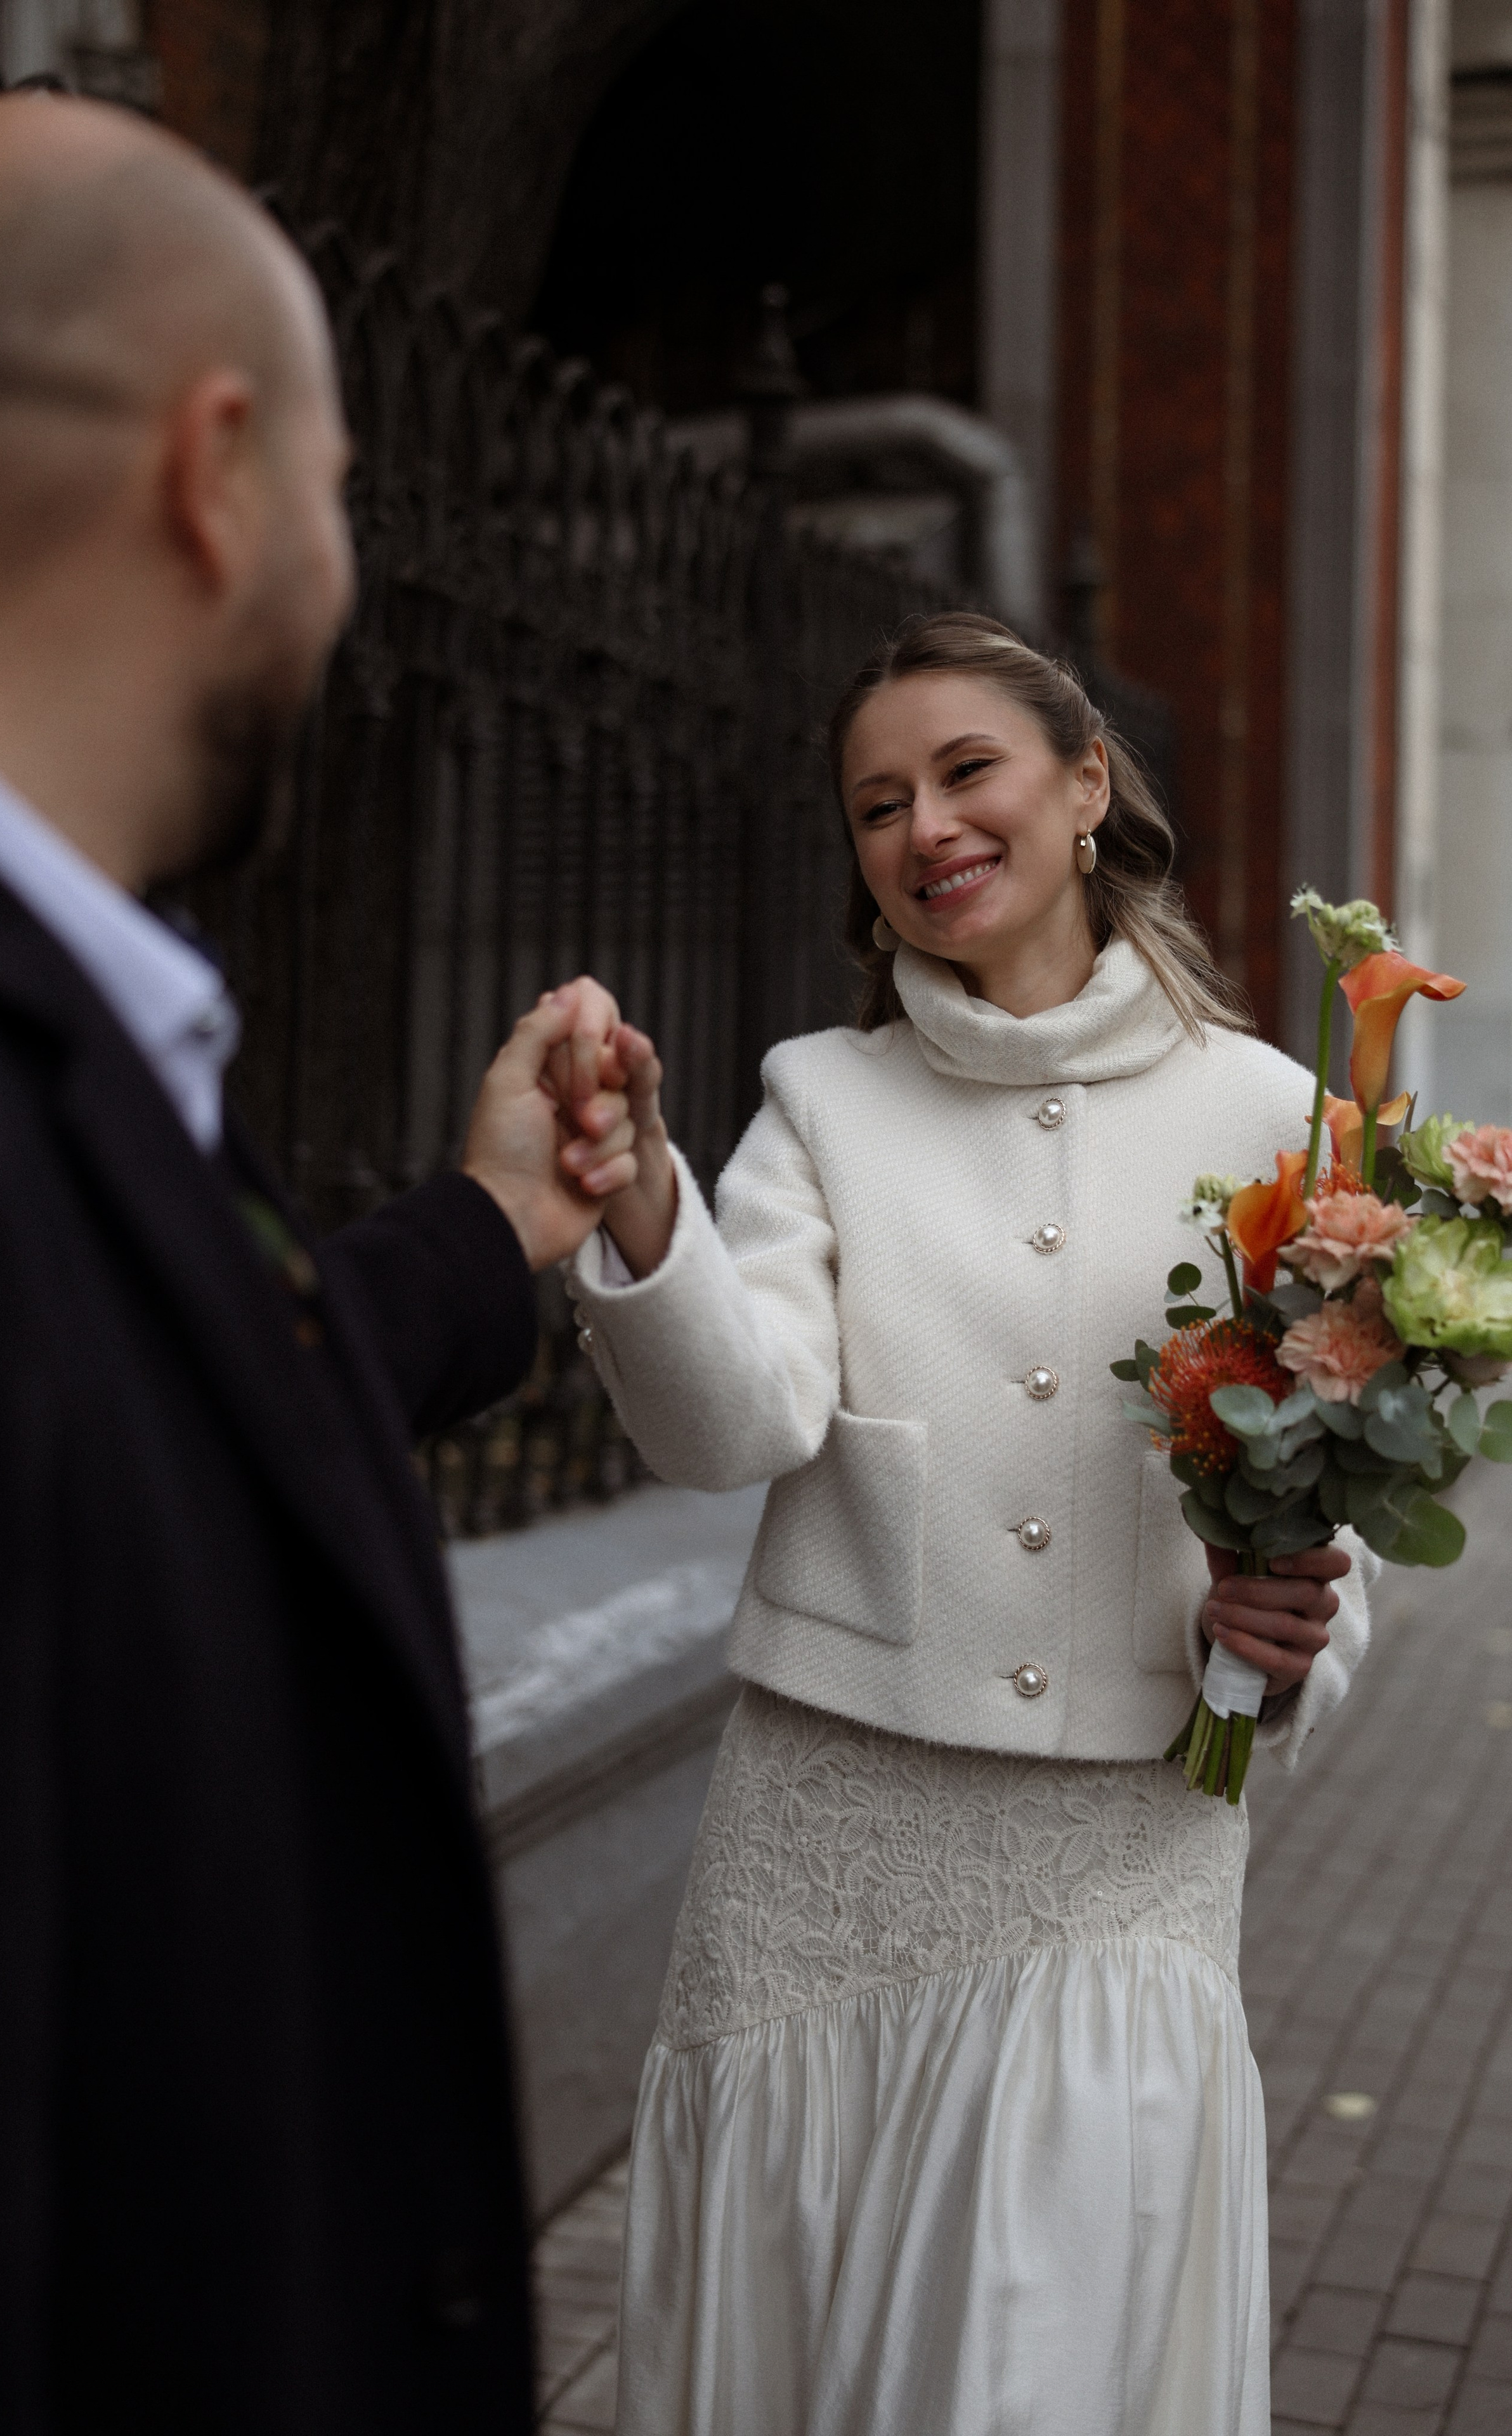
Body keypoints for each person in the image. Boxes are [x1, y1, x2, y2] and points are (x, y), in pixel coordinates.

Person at [0, 94, 636, 2432]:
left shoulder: (19, 1007)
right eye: (337, 493)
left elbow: (141, 1395)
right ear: (216, 474)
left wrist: (490, 1230)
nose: (340, 579)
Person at [568, 613, 1377, 2436]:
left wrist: (1290, 1639)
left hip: (1126, 1848)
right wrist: (644, 1218)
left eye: (963, 772)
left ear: (1086, 787)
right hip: (824, 1842)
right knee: (809, 2337)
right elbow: (733, 1424)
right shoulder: (819, 1099)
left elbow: (1339, 1493)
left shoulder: (1277, 1112)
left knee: (1048, 2352)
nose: (922, 826)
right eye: (877, 805)